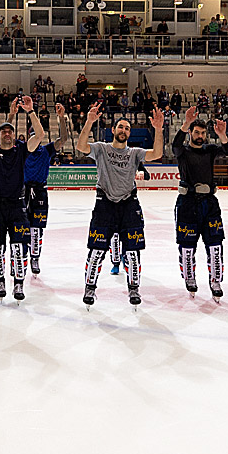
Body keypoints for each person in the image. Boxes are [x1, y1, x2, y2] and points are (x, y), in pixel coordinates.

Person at [75, 102, 164, 308]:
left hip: (129, 204)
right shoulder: (101, 148)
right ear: (113, 130)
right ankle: (90, 287)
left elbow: (156, 154)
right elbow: (81, 147)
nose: (123, 130)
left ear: (129, 133)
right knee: (96, 250)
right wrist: (89, 121)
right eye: (120, 127)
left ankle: (133, 288)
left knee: (132, 251)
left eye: (127, 128)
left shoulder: (135, 153)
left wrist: (158, 129)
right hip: (104, 204)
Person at [0, 95, 45, 303]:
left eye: (10, 131)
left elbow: (40, 134)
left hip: (17, 205)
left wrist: (31, 111)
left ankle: (18, 283)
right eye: (3, 131)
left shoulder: (22, 150)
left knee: (19, 248)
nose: (7, 133)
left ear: (14, 135)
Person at [172, 107, 228, 300]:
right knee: (187, 246)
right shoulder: (183, 151)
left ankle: (215, 281)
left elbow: (227, 150)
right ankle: (190, 278)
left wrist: (222, 135)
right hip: (187, 203)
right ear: (190, 133)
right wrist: (186, 123)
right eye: (196, 132)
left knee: (215, 244)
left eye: (203, 133)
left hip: (209, 203)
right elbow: (175, 144)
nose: (200, 136)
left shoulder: (210, 150)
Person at [22, 102, 69, 275]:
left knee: (37, 229)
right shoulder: (22, 151)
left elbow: (63, 140)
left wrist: (62, 118)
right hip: (24, 191)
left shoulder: (46, 151)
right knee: (21, 227)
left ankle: (35, 257)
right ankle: (21, 258)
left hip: (40, 191)